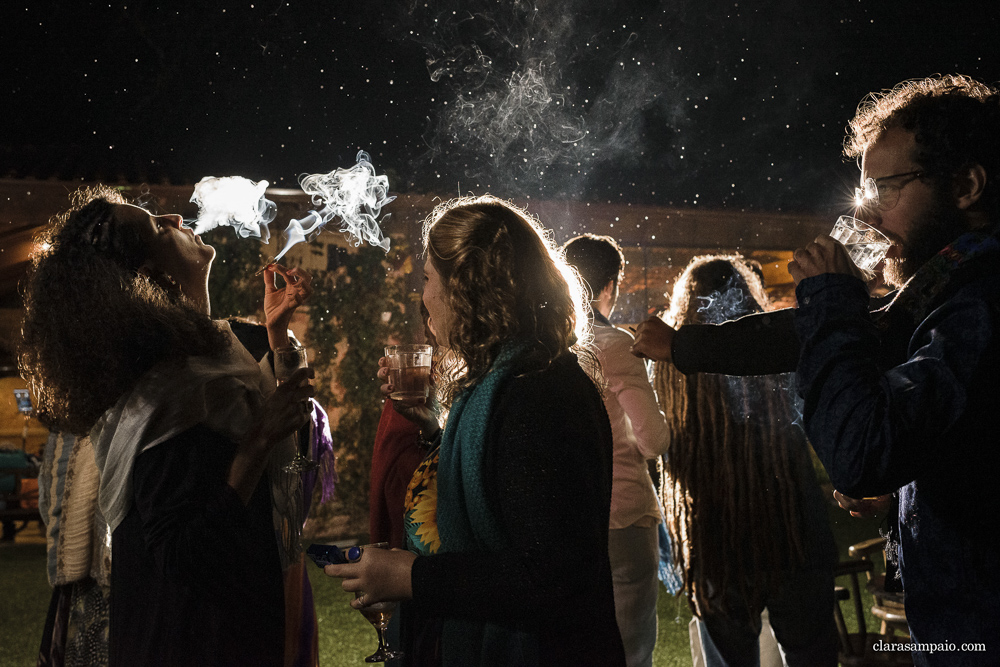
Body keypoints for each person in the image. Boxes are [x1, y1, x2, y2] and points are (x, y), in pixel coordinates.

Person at [633, 74, 1000, 664]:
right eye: (866, 193)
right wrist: (685, 348)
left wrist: (831, 297)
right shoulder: (945, 289)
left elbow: (858, 453)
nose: (871, 215)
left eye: (887, 188)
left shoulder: (980, 303)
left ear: (966, 184)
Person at [18, 185, 315, 666]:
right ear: (154, 276)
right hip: (190, 640)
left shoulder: (206, 358)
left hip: (232, 622)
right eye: (159, 225)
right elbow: (183, 554)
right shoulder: (166, 388)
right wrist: (259, 439)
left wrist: (277, 335)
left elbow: (283, 434)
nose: (176, 216)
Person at [326, 195, 626, 666]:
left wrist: (412, 577)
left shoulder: (536, 392)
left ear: (465, 287)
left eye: (427, 278)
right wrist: (432, 426)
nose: (421, 295)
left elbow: (552, 578)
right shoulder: (512, 378)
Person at [653, 255, 837, 666]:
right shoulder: (773, 353)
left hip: (716, 533)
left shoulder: (671, 367)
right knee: (811, 653)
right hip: (791, 525)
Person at [562, 233, 669, 667]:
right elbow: (653, 439)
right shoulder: (615, 345)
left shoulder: (547, 347)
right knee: (629, 647)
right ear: (609, 286)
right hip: (622, 513)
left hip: (566, 514)